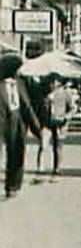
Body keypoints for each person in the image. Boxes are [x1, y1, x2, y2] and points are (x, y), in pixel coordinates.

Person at [0, 63, 42, 198]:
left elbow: (27, 106)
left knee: (17, 152)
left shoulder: (20, 83)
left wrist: (38, 130)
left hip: (18, 120)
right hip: (3, 121)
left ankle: (13, 185)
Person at [38, 78, 76, 178]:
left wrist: (66, 117)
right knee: (43, 144)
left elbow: (72, 108)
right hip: (47, 123)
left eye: (54, 82)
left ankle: (56, 168)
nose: (52, 84)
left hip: (60, 123)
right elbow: (40, 109)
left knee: (57, 147)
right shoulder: (46, 94)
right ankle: (40, 167)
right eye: (51, 82)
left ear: (59, 83)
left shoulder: (65, 94)